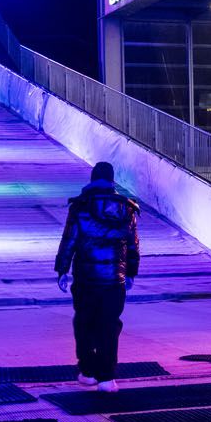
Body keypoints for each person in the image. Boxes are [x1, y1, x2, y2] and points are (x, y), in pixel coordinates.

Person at [55, 161, 140, 391]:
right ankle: (106, 378)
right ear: (112, 181)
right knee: (109, 326)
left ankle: (87, 371)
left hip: (86, 278)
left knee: (84, 322)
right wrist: (131, 272)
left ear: (92, 180)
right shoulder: (127, 208)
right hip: (115, 280)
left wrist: (62, 269)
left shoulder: (81, 206)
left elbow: (70, 240)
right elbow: (132, 246)